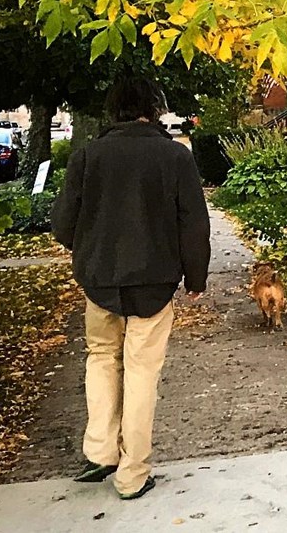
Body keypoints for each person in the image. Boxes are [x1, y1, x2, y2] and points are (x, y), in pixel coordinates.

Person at [50, 77, 210, 500]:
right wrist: (196, 277)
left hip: (99, 279)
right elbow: (192, 223)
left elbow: (63, 225)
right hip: (155, 282)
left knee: (101, 358)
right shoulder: (175, 157)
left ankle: (101, 449)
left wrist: (91, 248)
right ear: (155, 109)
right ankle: (132, 473)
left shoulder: (88, 155)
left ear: (112, 110)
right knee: (141, 371)